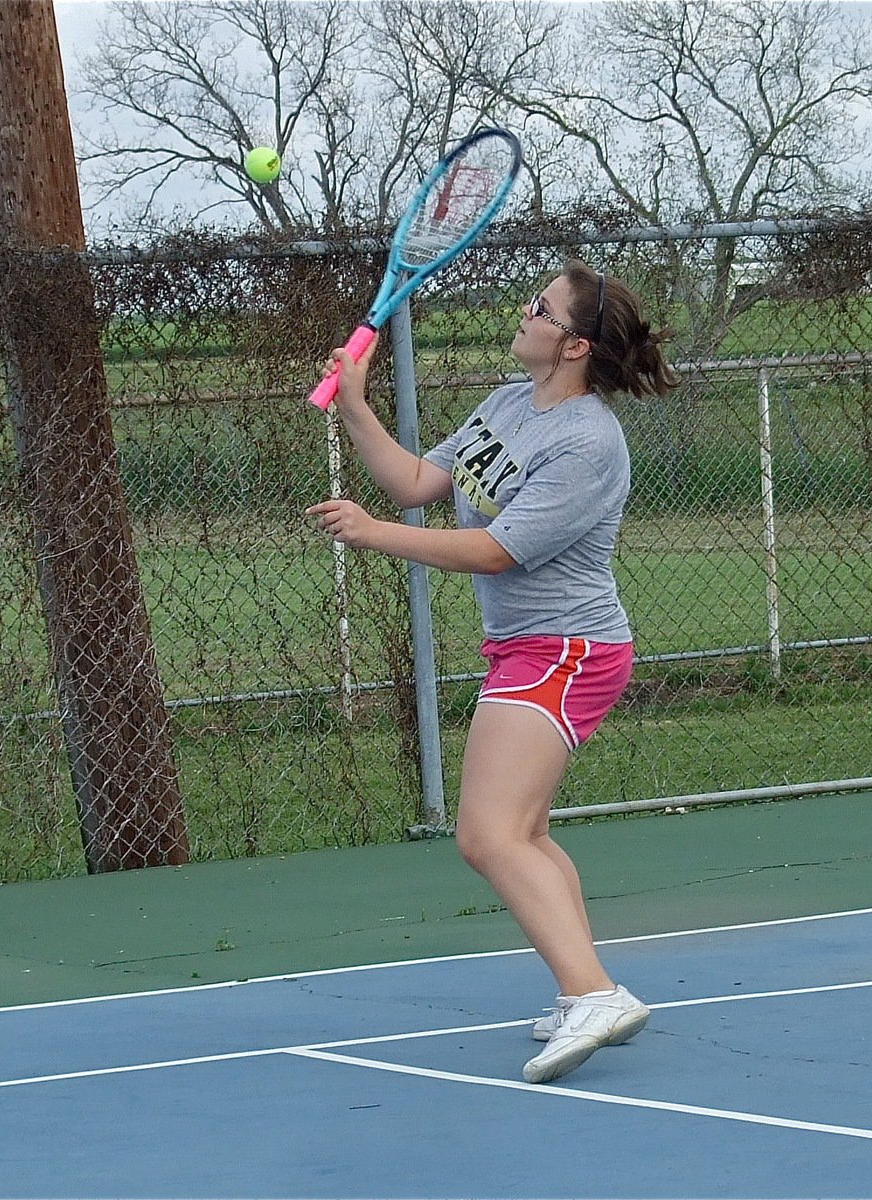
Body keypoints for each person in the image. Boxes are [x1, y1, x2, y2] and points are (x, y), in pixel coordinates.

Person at [307, 258, 678, 1084]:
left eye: (538, 307)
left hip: (567, 649)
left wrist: (372, 535)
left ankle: (592, 994)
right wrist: (358, 403)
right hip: (528, 646)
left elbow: (493, 550)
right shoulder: (509, 405)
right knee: (526, 833)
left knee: (486, 834)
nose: (522, 312)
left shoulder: (585, 442)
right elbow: (413, 483)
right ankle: (583, 987)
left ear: (574, 345)